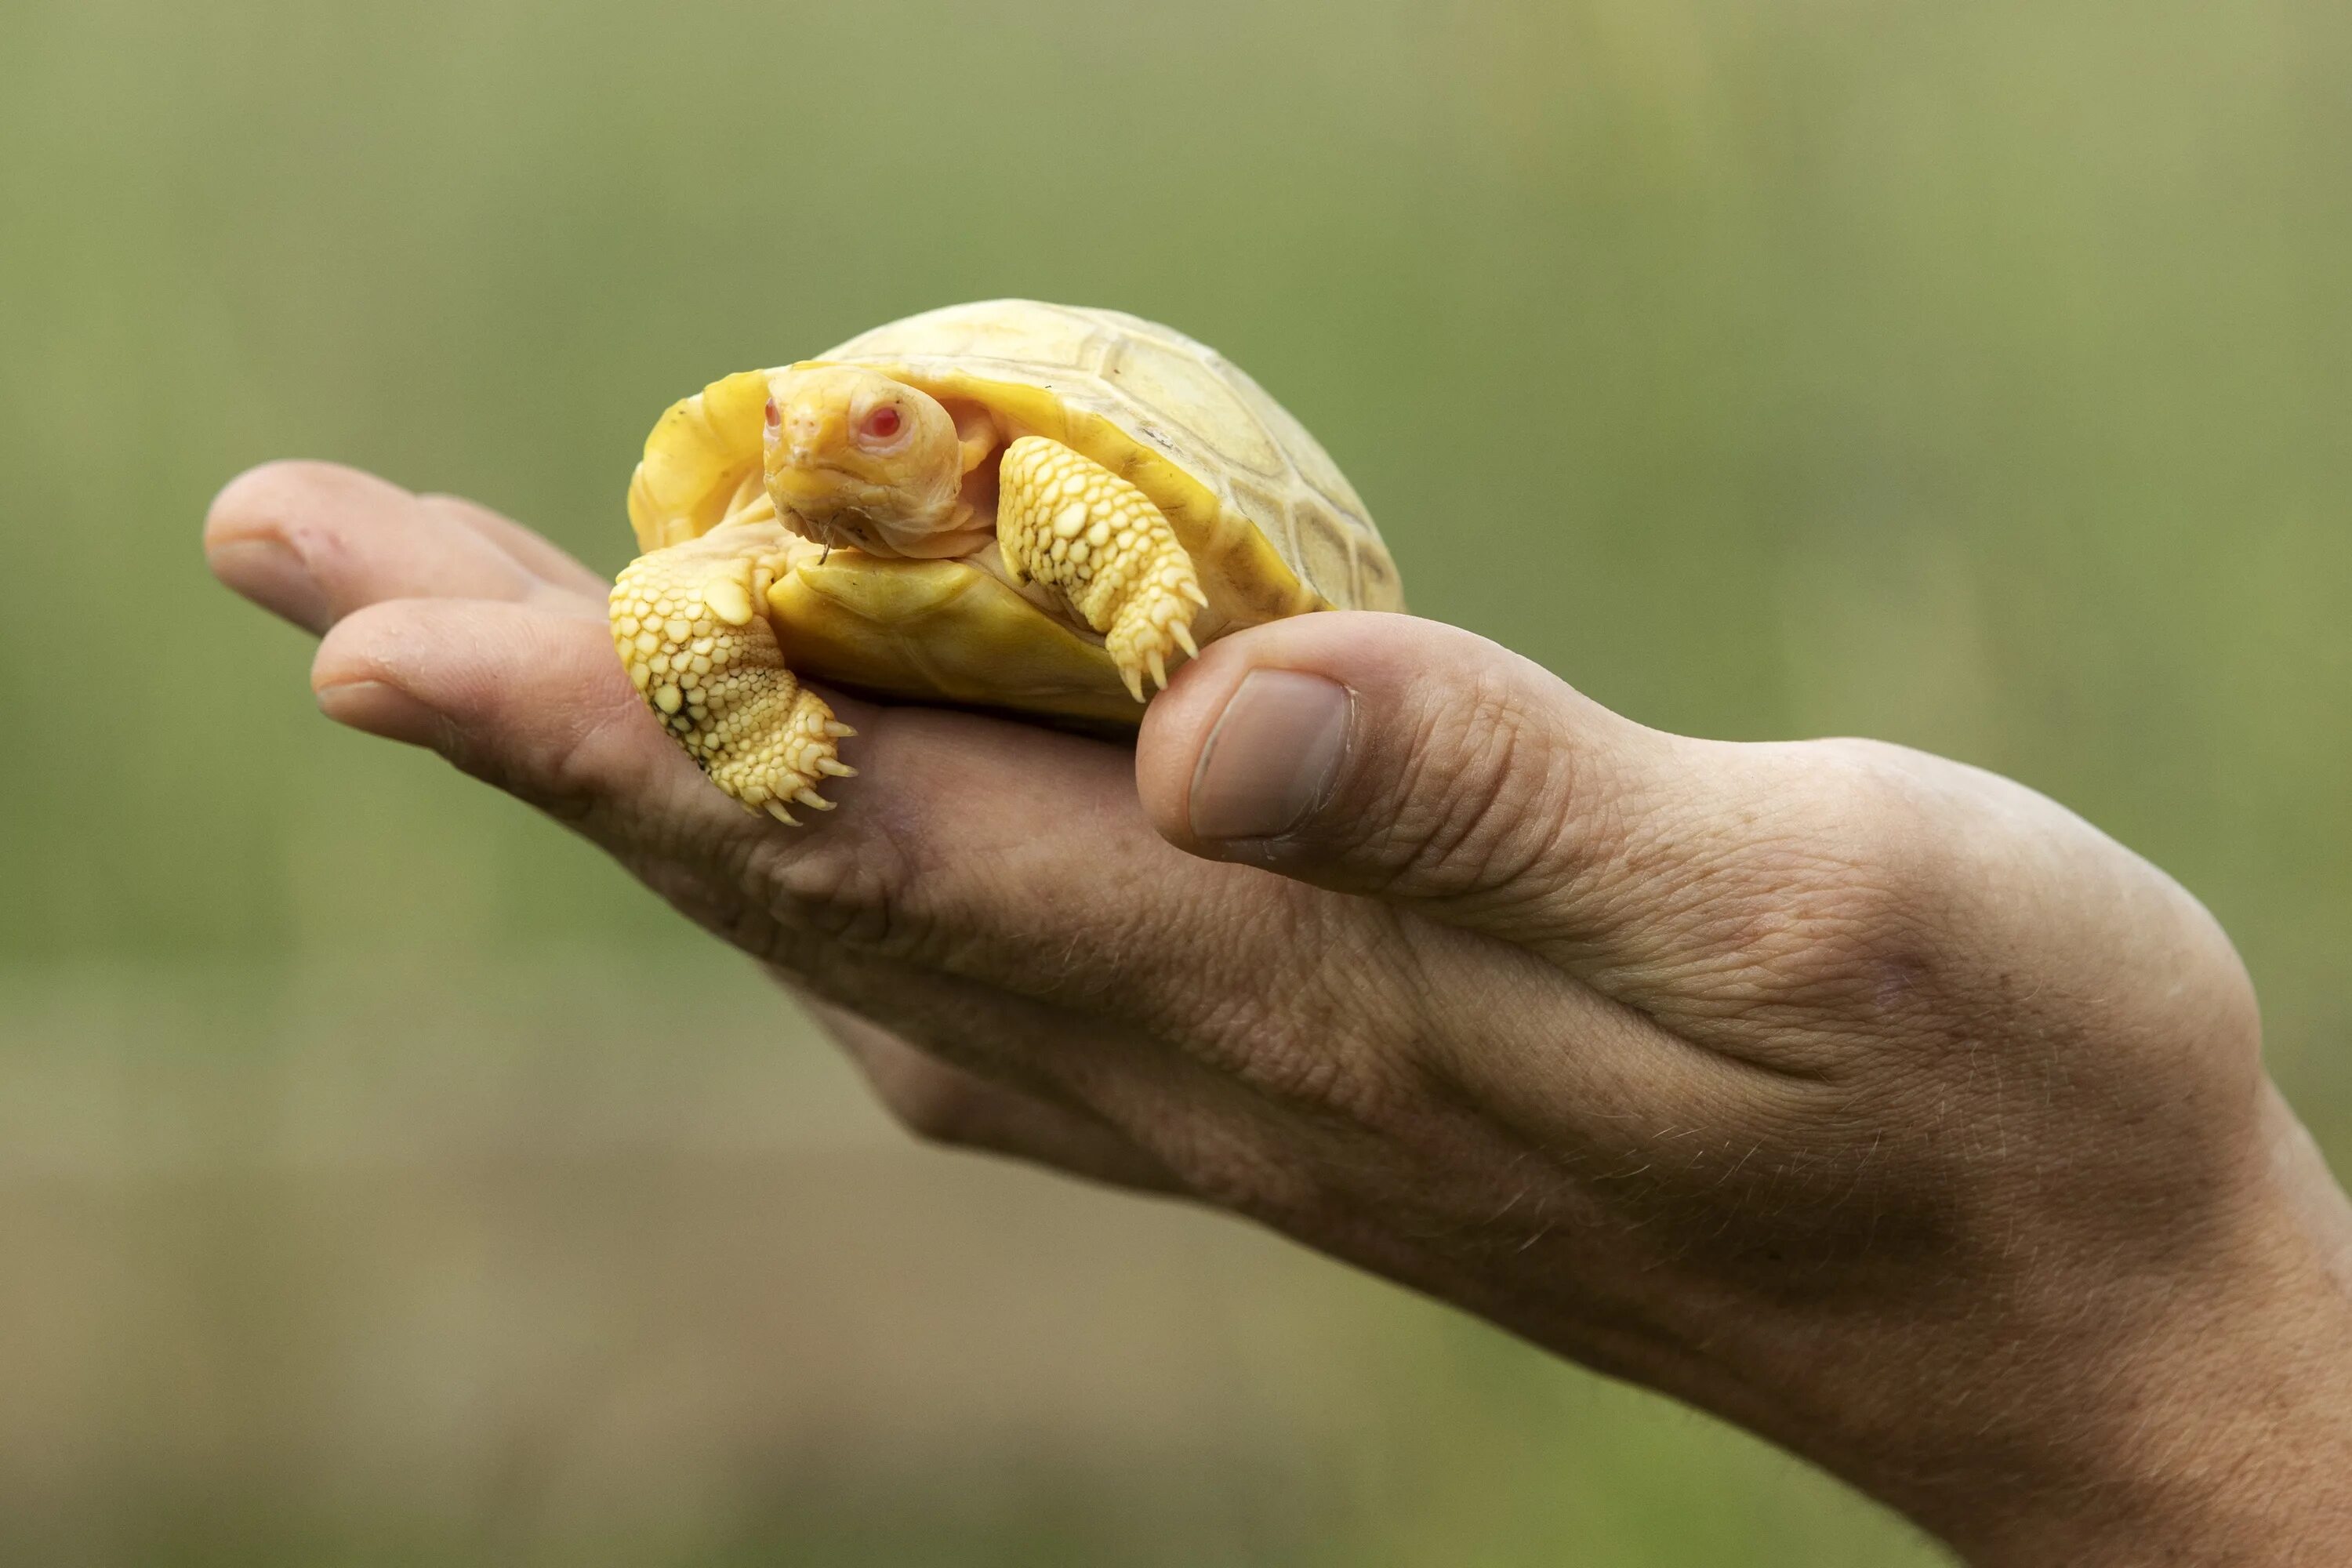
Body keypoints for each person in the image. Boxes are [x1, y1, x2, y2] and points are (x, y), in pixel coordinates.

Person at [205, 460, 2352, 1565]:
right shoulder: (768, 536)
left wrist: (2156, 1373)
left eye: (888, 433)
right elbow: (677, 608)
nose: (846, 453)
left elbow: (1101, 513)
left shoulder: (1033, 489)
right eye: (817, 433)